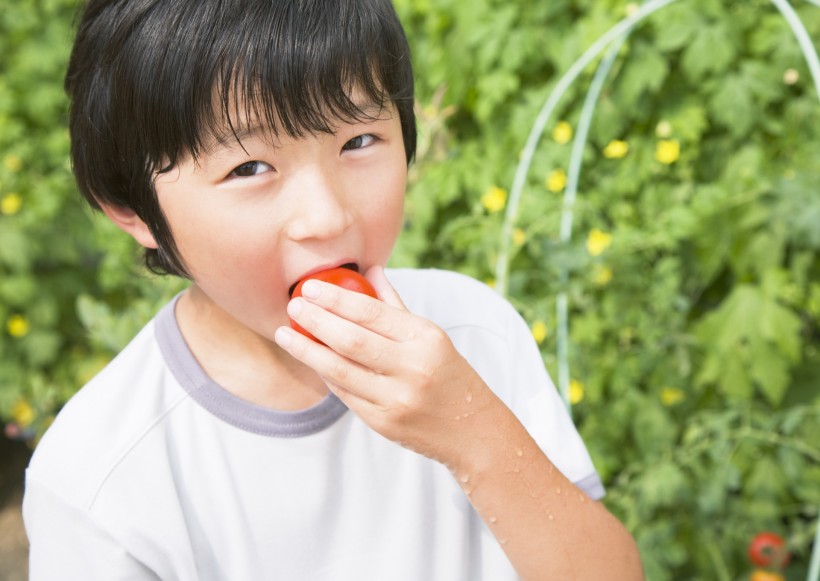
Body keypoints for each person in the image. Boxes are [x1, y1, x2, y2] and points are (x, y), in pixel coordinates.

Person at [23, 0, 644, 578]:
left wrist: (474, 433)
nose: (326, 216)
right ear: (132, 208)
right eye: (249, 168)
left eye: (359, 141)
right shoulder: (98, 477)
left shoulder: (473, 331)